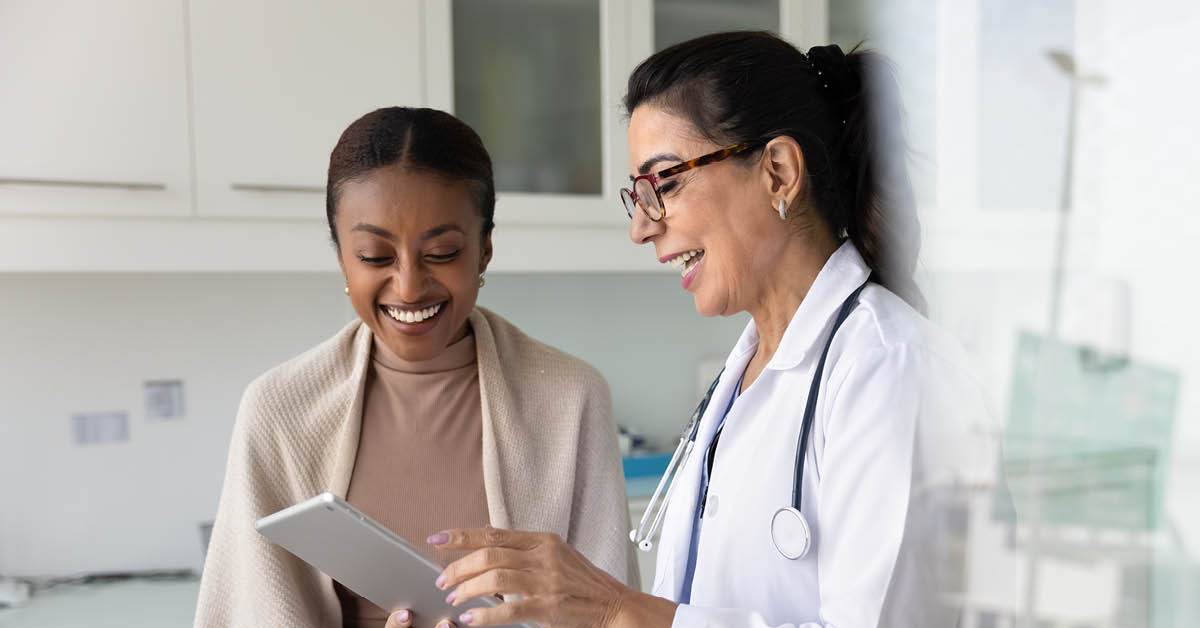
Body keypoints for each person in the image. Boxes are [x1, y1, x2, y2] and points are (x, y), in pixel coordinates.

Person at [420, 32, 986, 628]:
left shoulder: (893, 367)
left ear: (778, 172)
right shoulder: (741, 378)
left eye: (664, 183)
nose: (641, 227)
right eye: (637, 196)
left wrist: (620, 611)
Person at [194, 106, 638, 628]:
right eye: (375, 256)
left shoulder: (571, 398)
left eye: (442, 252)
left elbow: (613, 611)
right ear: (341, 257)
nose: (408, 286)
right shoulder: (278, 412)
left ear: (485, 250)